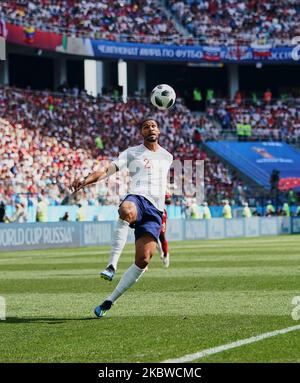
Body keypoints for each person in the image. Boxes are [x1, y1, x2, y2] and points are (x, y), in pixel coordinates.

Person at [70, 117, 173, 318]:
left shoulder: (167, 157)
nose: (150, 128)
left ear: (158, 131)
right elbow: (107, 170)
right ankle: (111, 265)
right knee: (126, 210)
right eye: (146, 126)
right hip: (138, 198)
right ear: (141, 133)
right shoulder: (132, 153)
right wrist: (85, 181)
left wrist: (166, 194)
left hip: (155, 210)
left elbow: (159, 180)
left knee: (143, 260)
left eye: (153, 126)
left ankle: (109, 300)